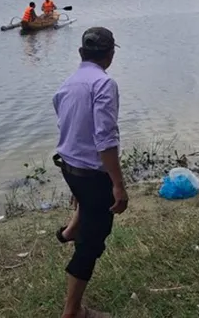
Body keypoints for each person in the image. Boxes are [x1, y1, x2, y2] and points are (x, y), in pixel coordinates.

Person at [52, 26, 126, 318]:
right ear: (109, 56)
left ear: (82, 53)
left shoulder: (67, 84)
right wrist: (118, 185)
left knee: (88, 206)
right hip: (91, 174)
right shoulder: (104, 85)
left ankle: (71, 229)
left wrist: (77, 188)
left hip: (69, 167)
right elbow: (105, 140)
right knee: (93, 241)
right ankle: (73, 311)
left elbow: (70, 129)